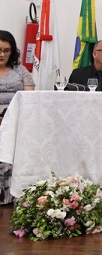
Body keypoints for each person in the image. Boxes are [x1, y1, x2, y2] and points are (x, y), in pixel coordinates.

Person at [0, 30, 35, 204]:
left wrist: (10, 115)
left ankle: (12, 196)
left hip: (16, 120)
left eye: (6, 50)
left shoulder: (21, 71)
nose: (2, 54)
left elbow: (29, 98)